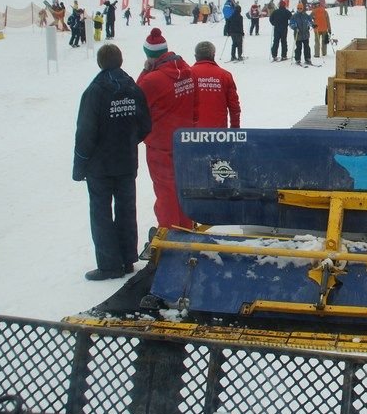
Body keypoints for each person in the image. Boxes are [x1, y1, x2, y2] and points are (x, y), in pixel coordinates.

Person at [72, 43, 152, 280]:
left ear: (100, 63)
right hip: (126, 161)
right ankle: (127, 259)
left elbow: (85, 132)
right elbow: (146, 124)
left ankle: (109, 265)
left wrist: (80, 165)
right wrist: (129, 141)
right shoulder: (133, 87)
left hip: (101, 165)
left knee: (101, 213)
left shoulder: (95, 91)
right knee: (127, 209)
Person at [137, 28, 195, 231]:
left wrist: (146, 70)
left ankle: (169, 235)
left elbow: (138, 99)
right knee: (183, 187)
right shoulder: (186, 69)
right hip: (186, 140)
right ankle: (186, 228)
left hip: (161, 144)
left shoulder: (152, 80)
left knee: (165, 191)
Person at [191, 41, 241, 128]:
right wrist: (235, 127)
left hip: (192, 133)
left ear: (196, 56)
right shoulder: (225, 75)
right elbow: (234, 106)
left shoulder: (188, 75)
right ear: (213, 55)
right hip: (218, 132)